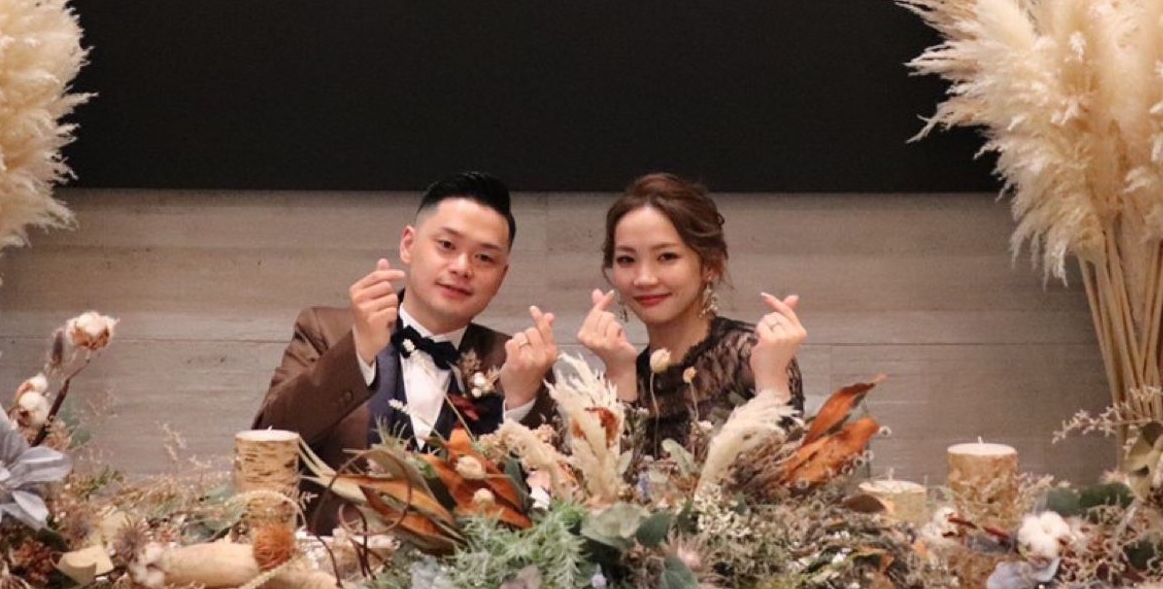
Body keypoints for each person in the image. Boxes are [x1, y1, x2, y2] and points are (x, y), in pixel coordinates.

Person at [253, 172, 558, 480]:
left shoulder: (517, 364)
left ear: (501, 278)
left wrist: (519, 403)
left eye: (484, 258)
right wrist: (358, 351)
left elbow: (555, 491)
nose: (462, 267)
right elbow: (266, 442)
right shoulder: (325, 330)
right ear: (408, 245)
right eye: (447, 245)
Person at [577, 172, 805, 451]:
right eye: (626, 259)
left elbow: (786, 471)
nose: (644, 278)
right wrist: (620, 374)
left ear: (710, 265)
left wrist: (771, 380)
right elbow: (606, 477)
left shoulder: (751, 357)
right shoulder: (623, 371)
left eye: (667, 257)